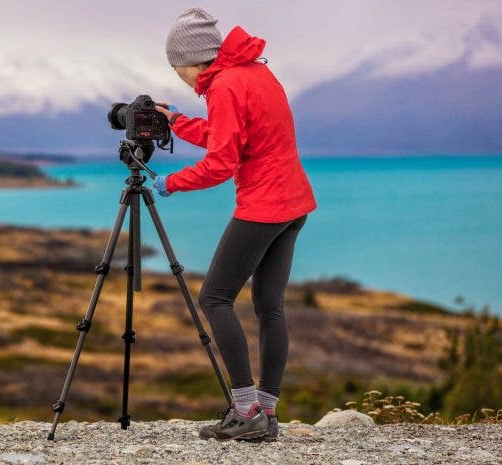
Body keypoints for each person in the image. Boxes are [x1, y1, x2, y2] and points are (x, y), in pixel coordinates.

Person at [152, 7, 317, 442]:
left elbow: (221, 163)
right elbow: (234, 135)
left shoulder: (224, 85)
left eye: (177, 66)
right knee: (270, 306)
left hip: (263, 206)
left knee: (215, 298)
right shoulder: (257, 73)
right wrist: (178, 123)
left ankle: (245, 412)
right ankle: (266, 412)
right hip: (294, 203)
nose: (178, 76)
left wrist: (170, 182)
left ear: (194, 58)